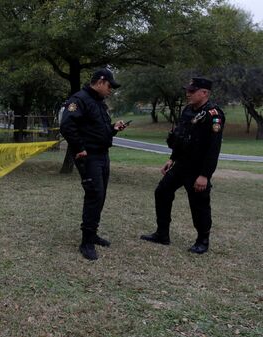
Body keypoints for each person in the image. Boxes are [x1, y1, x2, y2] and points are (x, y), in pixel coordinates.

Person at [140, 77, 225, 254]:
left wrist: (205, 175)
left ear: (204, 93)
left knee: (198, 204)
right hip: (181, 164)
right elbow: (181, 137)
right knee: (162, 192)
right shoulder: (188, 110)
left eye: (192, 91)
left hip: (198, 169)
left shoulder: (214, 115)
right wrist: (172, 158)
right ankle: (162, 234)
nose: (188, 93)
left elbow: (213, 149)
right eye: (187, 90)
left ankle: (203, 240)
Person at [60, 68, 128, 261]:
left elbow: (99, 129)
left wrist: (113, 129)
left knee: (100, 195)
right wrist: (79, 147)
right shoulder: (79, 100)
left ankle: (93, 234)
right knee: (94, 195)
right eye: (109, 86)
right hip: (88, 157)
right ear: (100, 81)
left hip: (102, 155)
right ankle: (86, 242)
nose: (110, 90)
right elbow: (67, 125)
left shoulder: (98, 103)